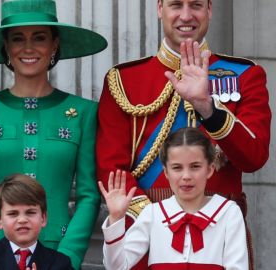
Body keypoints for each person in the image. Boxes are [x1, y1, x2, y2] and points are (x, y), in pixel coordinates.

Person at [96, 0, 270, 268]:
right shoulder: (124, 80)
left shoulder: (245, 75)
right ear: (159, 9)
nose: (186, 15)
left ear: (210, 10)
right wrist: (157, 219)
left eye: (196, 5)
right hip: (146, 239)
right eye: (176, 5)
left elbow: (254, 157)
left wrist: (208, 108)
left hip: (220, 235)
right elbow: (111, 170)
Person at [0, 0, 107, 268]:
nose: (28, 48)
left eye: (39, 37)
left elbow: (88, 195)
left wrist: (67, 259)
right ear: (6, 47)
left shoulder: (83, 111)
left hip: (58, 253)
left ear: (54, 44)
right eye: (17, 39)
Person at [100, 127, 248, 269]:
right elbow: (116, 266)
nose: (186, 176)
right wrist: (116, 218)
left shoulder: (229, 213)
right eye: (177, 168)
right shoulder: (152, 213)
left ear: (209, 169)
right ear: (166, 172)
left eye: (195, 166)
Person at [0, 174, 73, 270]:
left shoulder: (61, 263)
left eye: (30, 212)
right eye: (13, 213)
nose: (22, 220)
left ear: (43, 218)